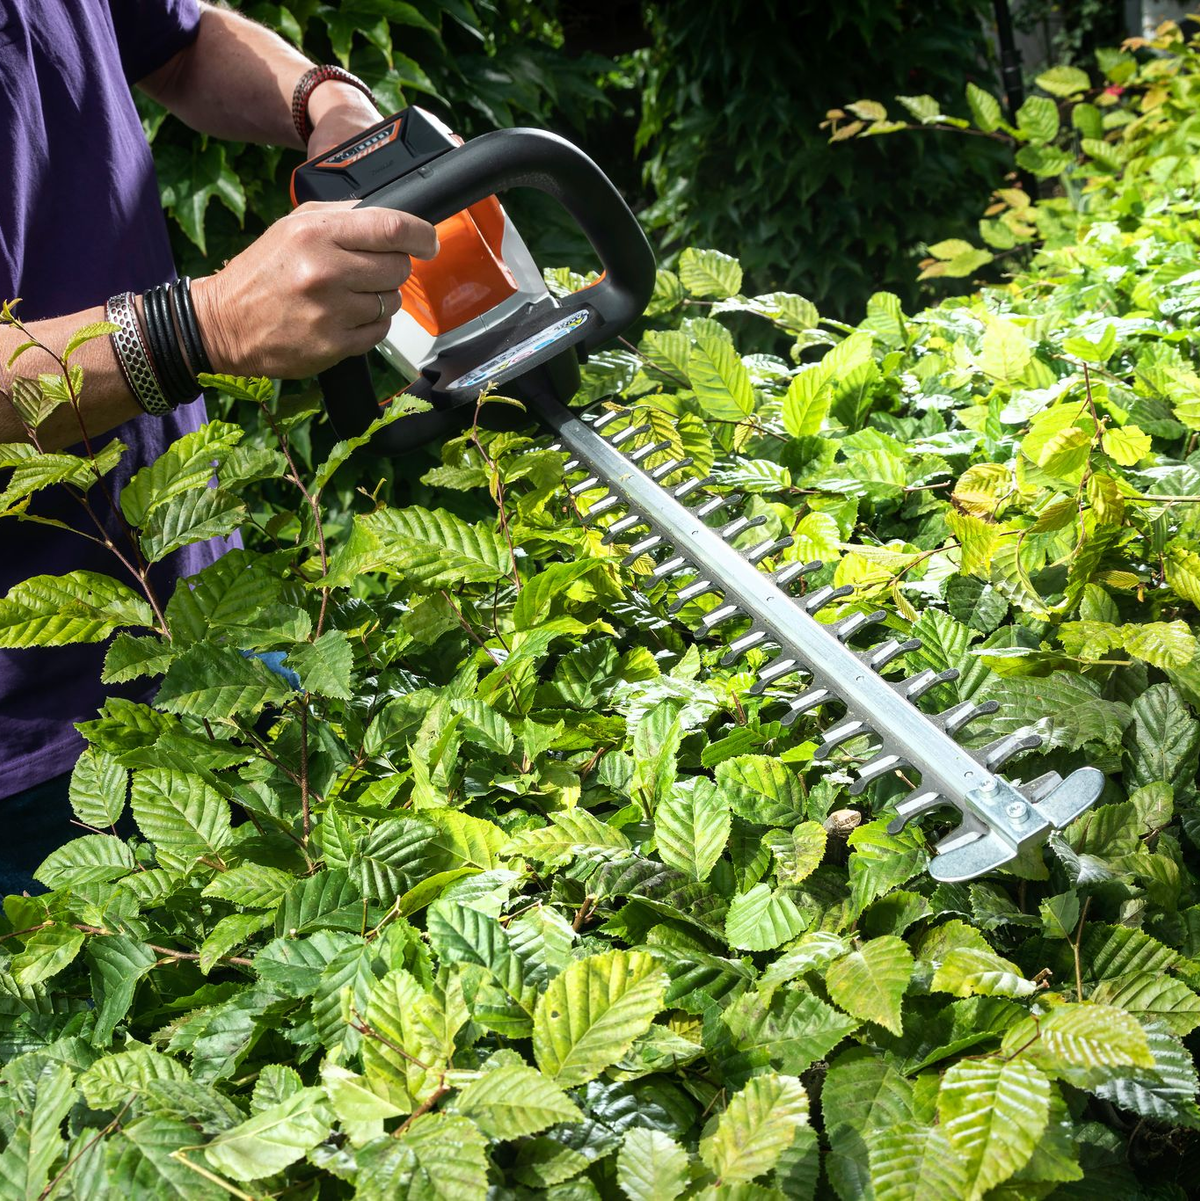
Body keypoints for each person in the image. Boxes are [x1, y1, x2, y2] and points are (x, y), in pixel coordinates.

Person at [0, 0, 439, 893]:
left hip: (208, 621)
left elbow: (179, 41)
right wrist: (205, 327)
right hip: (41, 757)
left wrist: (326, 102)